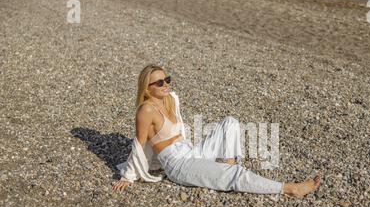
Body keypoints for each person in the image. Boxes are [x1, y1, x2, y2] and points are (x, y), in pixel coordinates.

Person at [112, 64, 320, 198]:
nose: (165, 84)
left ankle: (227, 167)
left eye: (167, 79)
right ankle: (289, 188)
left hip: (191, 151)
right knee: (234, 174)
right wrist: (128, 176)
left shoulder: (170, 99)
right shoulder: (146, 109)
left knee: (230, 122)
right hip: (178, 165)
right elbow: (139, 144)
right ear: (147, 88)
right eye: (159, 82)